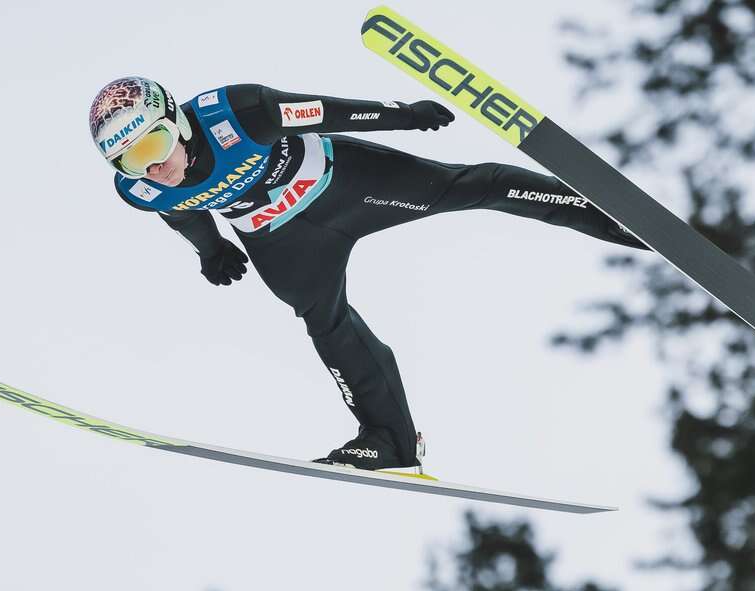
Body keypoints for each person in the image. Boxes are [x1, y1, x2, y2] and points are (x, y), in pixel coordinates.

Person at [89, 76, 647, 472]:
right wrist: (210, 251)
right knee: (326, 325)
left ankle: (621, 225)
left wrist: (404, 114)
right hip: (282, 241)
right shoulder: (141, 188)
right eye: (133, 160)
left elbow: (326, 111)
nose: (154, 167)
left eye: (156, 145)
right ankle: (389, 441)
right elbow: (179, 211)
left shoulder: (238, 112)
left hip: (347, 185)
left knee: (476, 186)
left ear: (179, 124)